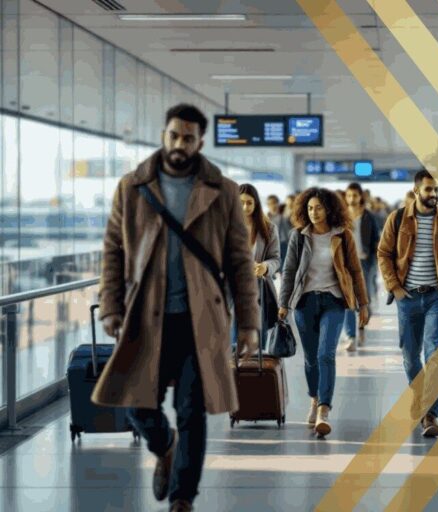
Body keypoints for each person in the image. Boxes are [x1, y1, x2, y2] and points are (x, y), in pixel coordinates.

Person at [94, 104, 260, 512]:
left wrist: (249, 326)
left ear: (200, 142)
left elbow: (240, 261)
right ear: (164, 134)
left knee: (192, 411)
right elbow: (113, 250)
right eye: (173, 135)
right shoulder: (132, 187)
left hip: (199, 319)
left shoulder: (222, 191)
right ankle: (165, 446)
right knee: (137, 406)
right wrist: (111, 307)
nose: (179, 144)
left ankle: (183, 497)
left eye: (188, 138)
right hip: (145, 316)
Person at [378, 170, 438, 438]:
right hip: (409, 297)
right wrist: (395, 287)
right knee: (410, 356)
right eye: (428, 190)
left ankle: (430, 414)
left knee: (435, 352)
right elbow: (384, 253)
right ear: (417, 192)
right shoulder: (399, 218)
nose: (434, 194)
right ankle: (421, 394)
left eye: (436, 189)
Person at [278, 187, 369, 438]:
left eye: (318, 207)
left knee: (326, 354)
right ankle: (314, 397)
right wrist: (283, 303)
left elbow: (355, 270)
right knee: (310, 359)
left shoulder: (343, 235)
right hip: (305, 302)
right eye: (309, 208)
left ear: (328, 209)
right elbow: (289, 271)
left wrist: (363, 303)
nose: (314, 212)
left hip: (334, 301)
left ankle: (324, 409)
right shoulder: (299, 236)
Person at [239, 185, 281, 344]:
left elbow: (276, 259)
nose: (245, 207)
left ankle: (256, 369)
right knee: (233, 344)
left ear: (256, 203)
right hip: (233, 291)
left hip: (259, 291)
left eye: (249, 203)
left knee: (258, 343)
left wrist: (265, 267)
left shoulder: (269, 228)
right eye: (241, 203)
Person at [342, 182, 381, 352]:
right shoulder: (341, 217)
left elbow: (375, 239)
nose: (352, 199)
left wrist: (372, 257)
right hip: (345, 264)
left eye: (355, 195)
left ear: (360, 197)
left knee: (364, 300)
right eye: (349, 195)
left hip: (365, 262)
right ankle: (351, 336)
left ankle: (361, 328)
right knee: (348, 300)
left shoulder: (368, 216)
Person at [266, 194, 291, 270]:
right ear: (267, 205)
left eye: (274, 203)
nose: (273, 205)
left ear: (278, 203)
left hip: (283, 244)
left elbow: (288, 232)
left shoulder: (283, 217)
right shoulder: (265, 218)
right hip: (271, 244)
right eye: (270, 204)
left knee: (284, 266)